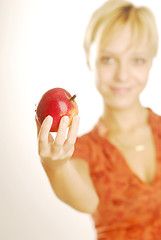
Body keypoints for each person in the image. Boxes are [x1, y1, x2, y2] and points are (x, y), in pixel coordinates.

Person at [35, 0, 161, 239]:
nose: (122, 75)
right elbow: (87, 202)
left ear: (151, 62)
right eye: (108, 59)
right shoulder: (85, 150)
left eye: (137, 60)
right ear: (88, 59)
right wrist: (56, 165)